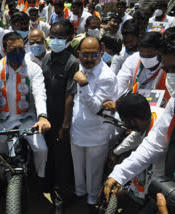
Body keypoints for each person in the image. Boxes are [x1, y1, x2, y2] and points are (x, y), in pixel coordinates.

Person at [104, 36, 175, 214]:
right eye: (168, 69)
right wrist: (119, 173)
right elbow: (154, 143)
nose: (171, 75)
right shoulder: (172, 106)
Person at [0, 32, 51, 194]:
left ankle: (40, 178)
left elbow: (39, 92)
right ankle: (4, 179)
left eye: (21, 49)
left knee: (41, 149)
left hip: (28, 119)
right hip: (3, 121)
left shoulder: (33, 68)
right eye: (13, 50)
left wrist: (42, 116)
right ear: (4, 50)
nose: (18, 53)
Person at [70, 36, 117, 212]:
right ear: (78, 54)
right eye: (85, 55)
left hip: (97, 135)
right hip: (76, 131)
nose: (89, 59)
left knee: (94, 173)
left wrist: (84, 84)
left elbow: (94, 107)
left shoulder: (107, 76)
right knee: (78, 171)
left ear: (102, 52)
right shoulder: (77, 67)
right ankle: (79, 194)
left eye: (94, 55)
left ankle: (92, 202)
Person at [42, 21, 79, 214]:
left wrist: (64, 126)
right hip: (46, 118)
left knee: (62, 160)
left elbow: (69, 97)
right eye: (52, 36)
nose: (55, 40)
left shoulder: (72, 63)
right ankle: (47, 187)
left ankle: (61, 199)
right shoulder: (46, 59)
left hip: (61, 120)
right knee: (48, 156)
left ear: (69, 39)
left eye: (60, 37)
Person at [112, 93, 165, 205]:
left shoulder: (160, 133)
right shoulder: (148, 116)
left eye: (126, 121)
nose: (127, 126)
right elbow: (135, 136)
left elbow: (156, 173)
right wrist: (116, 152)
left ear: (135, 120)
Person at [116, 32, 168, 99]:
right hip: (134, 101)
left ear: (159, 52)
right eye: (142, 54)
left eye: (149, 55)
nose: (145, 58)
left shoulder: (168, 64)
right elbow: (120, 83)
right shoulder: (133, 59)